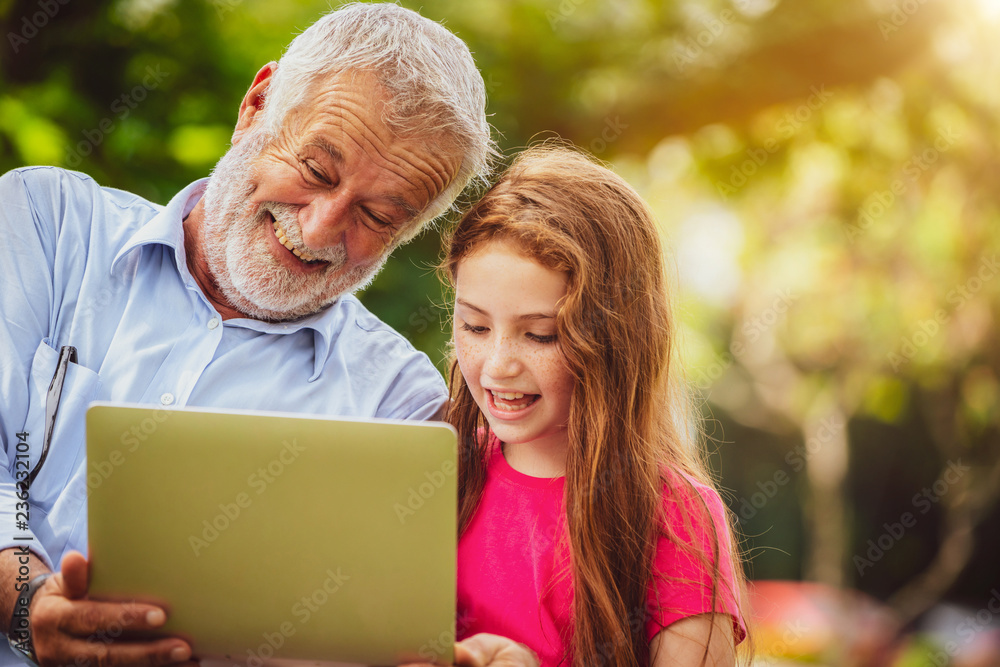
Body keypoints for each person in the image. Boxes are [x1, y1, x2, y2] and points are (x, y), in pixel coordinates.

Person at [0, 4, 492, 665]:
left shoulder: (399, 406)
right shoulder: (48, 224)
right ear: (256, 105)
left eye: (377, 215)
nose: (318, 231)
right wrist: (29, 603)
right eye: (318, 169)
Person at [441, 145, 749, 666]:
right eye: (474, 326)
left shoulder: (673, 515)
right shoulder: (440, 467)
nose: (497, 365)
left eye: (540, 335)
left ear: (614, 339)